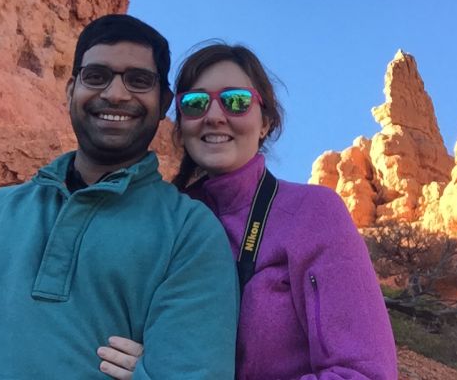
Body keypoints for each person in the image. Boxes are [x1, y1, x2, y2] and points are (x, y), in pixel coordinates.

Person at [0, 15, 239, 380]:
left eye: (138, 80)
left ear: (163, 103)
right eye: (96, 76)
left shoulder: (189, 232)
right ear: (70, 91)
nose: (115, 94)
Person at [98, 43, 398, 380]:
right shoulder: (165, 220)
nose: (214, 116)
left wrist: (172, 372)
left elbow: (365, 373)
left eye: (236, 101)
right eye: (195, 103)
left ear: (265, 122)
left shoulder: (313, 213)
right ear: (180, 126)